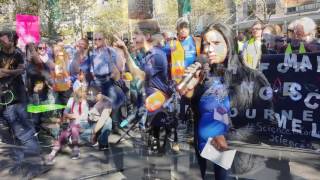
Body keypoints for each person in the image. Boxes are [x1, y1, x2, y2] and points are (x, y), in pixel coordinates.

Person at [178, 23, 273, 179]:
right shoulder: (203, 76)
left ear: (229, 44)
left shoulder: (253, 78)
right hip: (206, 157)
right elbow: (199, 116)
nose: (209, 49)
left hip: (238, 161)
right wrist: (191, 90)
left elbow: (268, 122)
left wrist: (227, 136)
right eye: (206, 44)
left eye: (216, 43)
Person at [114, 20, 175, 153]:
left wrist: (125, 51)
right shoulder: (148, 55)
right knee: (154, 153)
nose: (133, 37)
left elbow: (139, 76)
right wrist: (125, 51)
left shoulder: (156, 55)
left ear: (147, 36)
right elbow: (136, 73)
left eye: (137, 33)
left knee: (159, 156)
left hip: (159, 109)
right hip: (153, 107)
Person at [0, 30, 49, 177]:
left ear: (12, 40)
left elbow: (21, 70)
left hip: (17, 99)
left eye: (4, 40)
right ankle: (25, 161)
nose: (2, 42)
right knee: (9, 135)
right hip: (3, 100)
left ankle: (35, 167)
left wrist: (6, 72)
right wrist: (12, 72)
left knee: (24, 133)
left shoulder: (19, 54)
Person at [90, 32, 125, 134]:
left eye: (99, 39)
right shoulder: (92, 53)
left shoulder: (111, 51)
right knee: (101, 104)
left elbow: (120, 67)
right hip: (97, 82)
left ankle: (115, 125)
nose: (97, 41)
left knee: (115, 101)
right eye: (95, 39)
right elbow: (91, 70)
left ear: (104, 39)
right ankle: (101, 126)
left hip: (109, 81)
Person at [46, 86, 89, 163]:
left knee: (73, 128)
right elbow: (65, 112)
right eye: (78, 97)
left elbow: (84, 117)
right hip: (72, 124)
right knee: (64, 134)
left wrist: (73, 117)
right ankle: (52, 153)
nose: (80, 99)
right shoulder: (71, 100)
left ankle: (75, 148)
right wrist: (71, 116)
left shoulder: (84, 103)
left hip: (82, 124)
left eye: (81, 97)